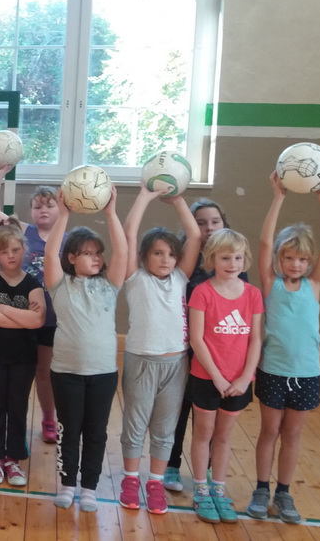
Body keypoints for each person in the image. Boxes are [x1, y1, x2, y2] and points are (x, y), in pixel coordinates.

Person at [246, 172, 320, 524]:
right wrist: (278, 198)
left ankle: (283, 492)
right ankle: (261, 489)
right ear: (279, 259)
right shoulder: (271, 284)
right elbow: (264, 244)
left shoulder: (315, 285)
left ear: (309, 262)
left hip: (307, 374)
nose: (295, 264)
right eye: (289, 258)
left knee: (293, 434)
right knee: (270, 431)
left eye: (301, 259)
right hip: (273, 371)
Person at [118, 187, 202, 514]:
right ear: (143, 257)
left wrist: (178, 201)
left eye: (170, 253)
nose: (165, 259)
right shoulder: (135, 278)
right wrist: (144, 196)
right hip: (141, 361)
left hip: (176, 364)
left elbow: (194, 236)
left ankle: (154, 482)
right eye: (157, 253)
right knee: (135, 424)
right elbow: (129, 233)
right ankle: (130, 479)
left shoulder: (180, 277)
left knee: (165, 429)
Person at [46, 189, 128, 512]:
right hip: (66, 373)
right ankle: (68, 485)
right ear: (71, 258)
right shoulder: (60, 285)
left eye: (98, 253)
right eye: (87, 253)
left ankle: (90, 488)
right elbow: (50, 253)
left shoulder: (110, 284)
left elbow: (122, 252)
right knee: (69, 431)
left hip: (103, 374)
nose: (96, 258)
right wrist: (63, 214)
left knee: (96, 433)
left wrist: (111, 213)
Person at [164, 198, 245, 491]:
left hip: (218, 354)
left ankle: (208, 468)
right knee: (180, 407)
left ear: (224, 223)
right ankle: (172, 464)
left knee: (210, 416)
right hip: (184, 346)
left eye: (215, 221)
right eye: (201, 223)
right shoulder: (184, 260)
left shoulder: (234, 265)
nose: (209, 228)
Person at [187, 229, 263, 524]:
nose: (233, 264)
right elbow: (197, 339)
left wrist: (245, 378)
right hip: (207, 378)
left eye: (238, 258)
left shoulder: (253, 294)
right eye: (225, 258)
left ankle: (218, 489)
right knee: (203, 434)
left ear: (245, 260)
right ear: (212, 259)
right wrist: (217, 377)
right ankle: (201, 490)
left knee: (224, 436)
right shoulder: (202, 292)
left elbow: (255, 339)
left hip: (238, 382)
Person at [0, 165, 62, 444]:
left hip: (54, 319)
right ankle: (27, 419)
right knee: (28, 371)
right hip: (22, 317)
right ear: (30, 212)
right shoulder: (24, 231)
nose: (43, 210)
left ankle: (50, 418)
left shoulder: (66, 238)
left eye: (49, 205)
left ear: (60, 209)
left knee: (47, 371)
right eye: (37, 206)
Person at [0, 219, 46, 487]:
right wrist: (23, 316)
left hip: (24, 357)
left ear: (24, 250)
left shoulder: (33, 283)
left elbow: (37, 321)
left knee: (18, 407)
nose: (10, 255)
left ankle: (13, 459)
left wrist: (3, 308)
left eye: (15, 250)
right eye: (4, 251)